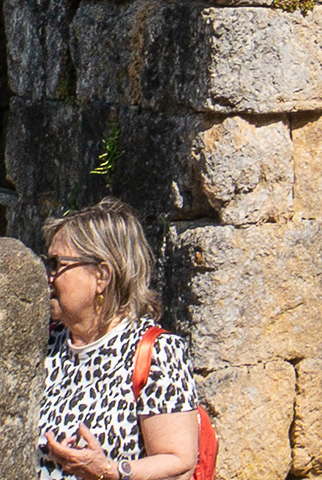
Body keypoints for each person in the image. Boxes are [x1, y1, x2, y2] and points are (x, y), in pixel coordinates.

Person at [30, 198, 204, 480]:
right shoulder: (48, 343)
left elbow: (180, 463)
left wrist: (109, 471)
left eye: (56, 264)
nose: (47, 276)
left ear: (102, 276)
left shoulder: (156, 352)